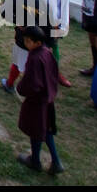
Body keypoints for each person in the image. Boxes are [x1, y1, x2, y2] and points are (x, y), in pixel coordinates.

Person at [16, 26, 63, 174]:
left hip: (37, 102)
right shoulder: (47, 53)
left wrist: (21, 87)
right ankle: (56, 161)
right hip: (48, 98)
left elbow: (33, 83)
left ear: (37, 42)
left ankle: (35, 160)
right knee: (46, 130)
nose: (26, 44)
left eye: (28, 41)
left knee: (35, 131)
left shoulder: (35, 58)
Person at [0, 0, 48, 96]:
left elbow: (4, 13)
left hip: (22, 40)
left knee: (18, 64)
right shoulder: (43, 2)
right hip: (37, 41)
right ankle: (14, 84)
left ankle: (12, 85)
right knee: (30, 65)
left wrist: (18, 21)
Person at [38, 0, 73, 87]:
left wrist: (62, 27)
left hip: (53, 23)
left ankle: (56, 73)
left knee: (54, 47)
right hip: (39, 22)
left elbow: (64, 9)